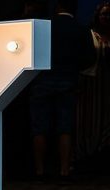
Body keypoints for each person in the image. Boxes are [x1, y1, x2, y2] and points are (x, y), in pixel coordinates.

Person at [29, 0, 96, 179]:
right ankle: (64, 170)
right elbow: (90, 57)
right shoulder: (81, 29)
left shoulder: (44, 27)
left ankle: (40, 170)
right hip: (69, 79)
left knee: (39, 127)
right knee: (65, 127)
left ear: (58, 6)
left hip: (42, 79)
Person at [77, 2, 110, 163]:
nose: (105, 17)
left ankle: (102, 152)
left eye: (108, 14)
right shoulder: (90, 34)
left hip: (107, 83)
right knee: (90, 118)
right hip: (91, 82)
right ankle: (87, 153)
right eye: (103, 14)